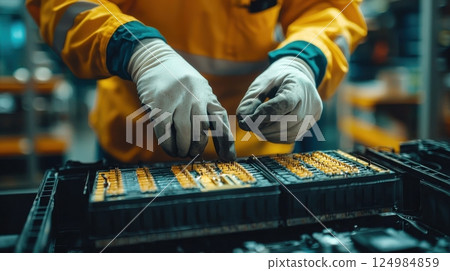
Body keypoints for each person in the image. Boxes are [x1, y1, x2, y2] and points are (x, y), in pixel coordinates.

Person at [26, 0, 367, 163]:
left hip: (261, 156)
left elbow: (328, 8)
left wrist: (304, 60)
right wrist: (137, 51)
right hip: (137, 148)